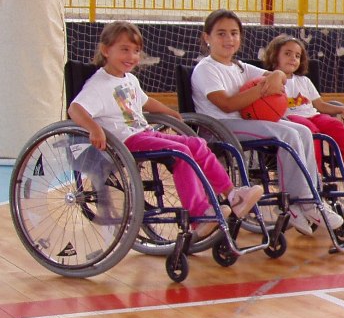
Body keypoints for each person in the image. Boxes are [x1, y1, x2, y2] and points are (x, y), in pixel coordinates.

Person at [68, 21, 261, 236]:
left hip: (143, 134)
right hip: (125, 141)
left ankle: (233, 195)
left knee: (197, 143)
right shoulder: (99, 84)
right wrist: (94, 129)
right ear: (105, 50)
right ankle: (198, 215)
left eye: (136, 51)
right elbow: (75, 109)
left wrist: (170, 113)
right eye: (124, 50)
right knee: (181, 152)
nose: (132, 56)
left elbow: (145, 101)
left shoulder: (129, 79)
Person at [190, 9, 342, 236]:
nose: (229, 39)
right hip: (221, 127)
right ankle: (298, 201)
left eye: (234, 33)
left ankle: (309, 198)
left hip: (245, 125)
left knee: (302, 130)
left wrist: (274, 76)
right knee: (287, 135)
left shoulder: (240, 67)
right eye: (221, 34)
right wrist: (263, 89)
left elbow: (279, 75)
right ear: (207, 38)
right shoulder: (206, 69)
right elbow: (228, 105)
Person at [263, 34, 344, 186]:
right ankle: (315, 174)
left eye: (297, 56)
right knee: (310, 132)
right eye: (287, 54)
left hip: (312, 115)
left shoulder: (304, 81)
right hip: (288, 119)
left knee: (336, 125)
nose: (293, 58)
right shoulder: (269, 79)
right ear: (274, 56)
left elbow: (321, 105)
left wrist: (343, 109)